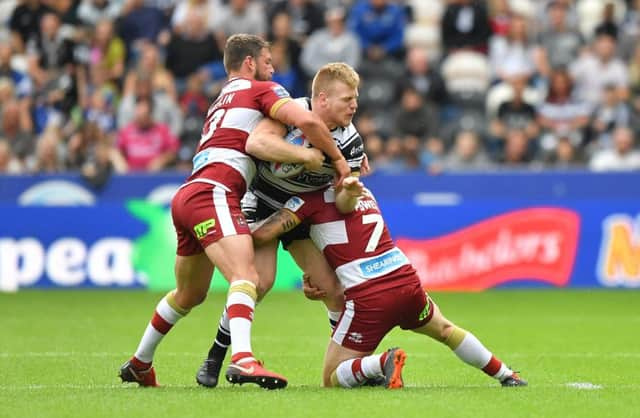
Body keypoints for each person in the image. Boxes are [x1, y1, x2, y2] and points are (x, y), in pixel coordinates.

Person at [119, 33, 350, 389]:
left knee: (189, 295)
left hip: (188, 194)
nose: (273, 70)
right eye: (268, 62)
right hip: (215, 191)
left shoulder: (221, 99)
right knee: (247, 277)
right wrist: (336, 160)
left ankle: (140, 362)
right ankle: (242, 359)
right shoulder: (260, 90)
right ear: (249, 63)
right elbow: (307, 122)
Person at [249, 177, 528, 389]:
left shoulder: (308, 201)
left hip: (371, 296)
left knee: (331, 377)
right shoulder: (365, 192)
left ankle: (381, 363)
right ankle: (506, 374)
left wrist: (230, 226)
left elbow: (265, 234)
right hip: (406, 280)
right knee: (445, 329)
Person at [196, 62, 365, 388]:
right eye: (347, 99)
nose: (354, 105)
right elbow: (256, 144)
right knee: (259, 282)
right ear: (322, 99)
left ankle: (346, 362)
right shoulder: (291, 113)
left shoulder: (352, 142)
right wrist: (303, 156)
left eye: (356, 98)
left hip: (302, 211)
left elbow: (344, 203)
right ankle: (215, 356)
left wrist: (349, 193)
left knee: (332, 289)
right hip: (260, 201)